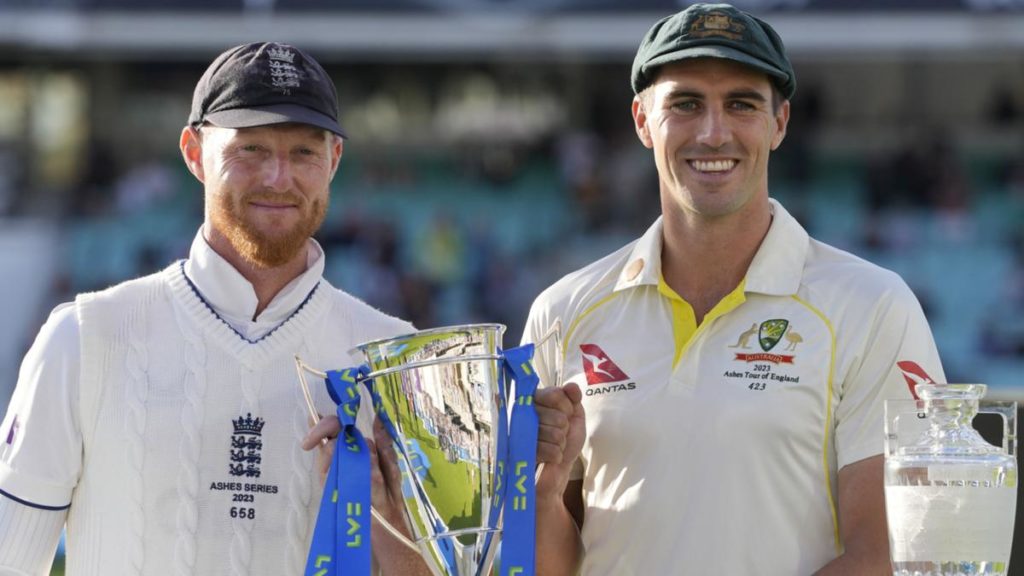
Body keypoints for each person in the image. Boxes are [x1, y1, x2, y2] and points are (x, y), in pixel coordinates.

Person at [527, 4, 945, 575]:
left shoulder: (873, 306)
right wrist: (543, 494)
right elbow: (549, 563)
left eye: (742, 104)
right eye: (686, 104)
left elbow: (890, 556)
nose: (713, 132)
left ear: (780, 123)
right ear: (643, 121)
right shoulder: (563, 311)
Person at [0, 42, 428, 575]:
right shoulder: (85, 336)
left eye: (303, 152)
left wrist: (388, 519)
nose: (278, 177)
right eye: (250, 149)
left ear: (333, 160)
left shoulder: (399, 359)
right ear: (194, 153)